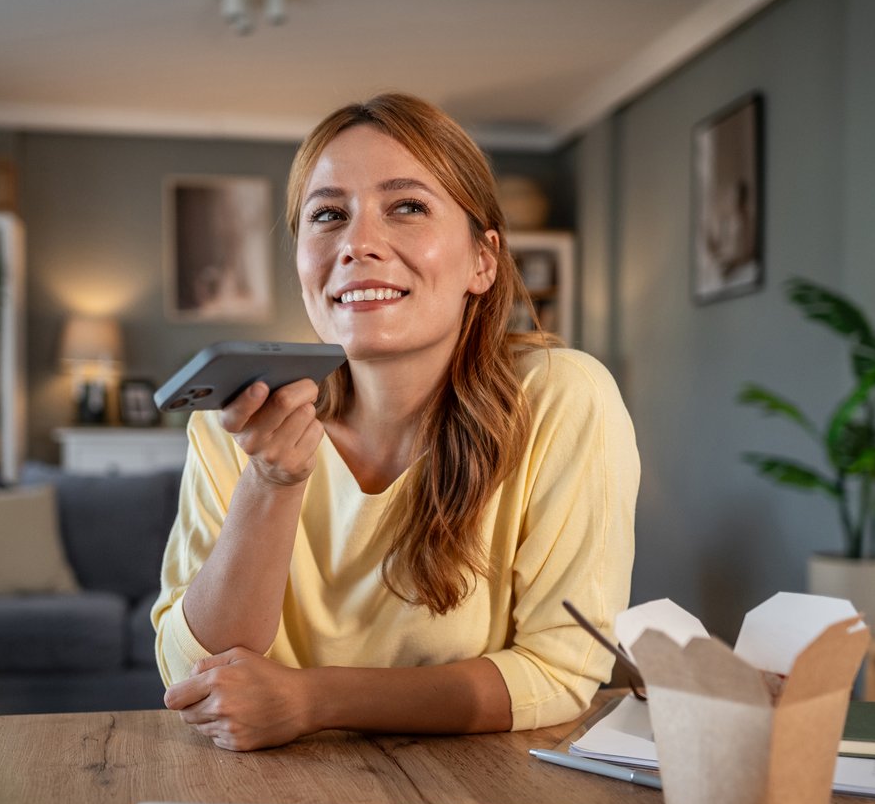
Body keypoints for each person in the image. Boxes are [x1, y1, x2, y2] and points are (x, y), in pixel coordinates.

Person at [152, 93, 639, 751]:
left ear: (482, 260)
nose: (357, 244)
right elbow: (195, 677)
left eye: (406, 206)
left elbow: (563, 671)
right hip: (263, 795)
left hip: (476, 798)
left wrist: (312, 700)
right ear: (302, 265)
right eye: (329, 215)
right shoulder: (235, 421)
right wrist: (272, 480)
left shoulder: (563, 398)